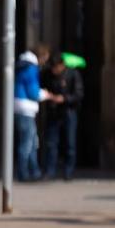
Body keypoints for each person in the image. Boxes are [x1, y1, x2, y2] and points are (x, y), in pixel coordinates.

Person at [15, 49, 57, 181]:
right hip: (26, 108)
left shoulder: (22, 65)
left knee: (32, 141)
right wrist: (46, 94)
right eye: (45, 59)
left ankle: (34, 171)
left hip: (19, 106)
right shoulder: (31, 68)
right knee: (27, 143)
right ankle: (24, 173)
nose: (44, 63)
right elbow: (33, 92)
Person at [41, 52, 84, 180]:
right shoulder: (47, 74)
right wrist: (48, 95)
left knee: (70, 143)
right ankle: (50, 170)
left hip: (69, 112)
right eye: (52, 68)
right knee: (51, 143)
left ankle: (68, 171)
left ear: (62, 65)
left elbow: (78, 94)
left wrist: (64, 99)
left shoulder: (73, 74)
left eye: (56, 68)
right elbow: (43, 87)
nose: (54, 71)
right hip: (54, 112)